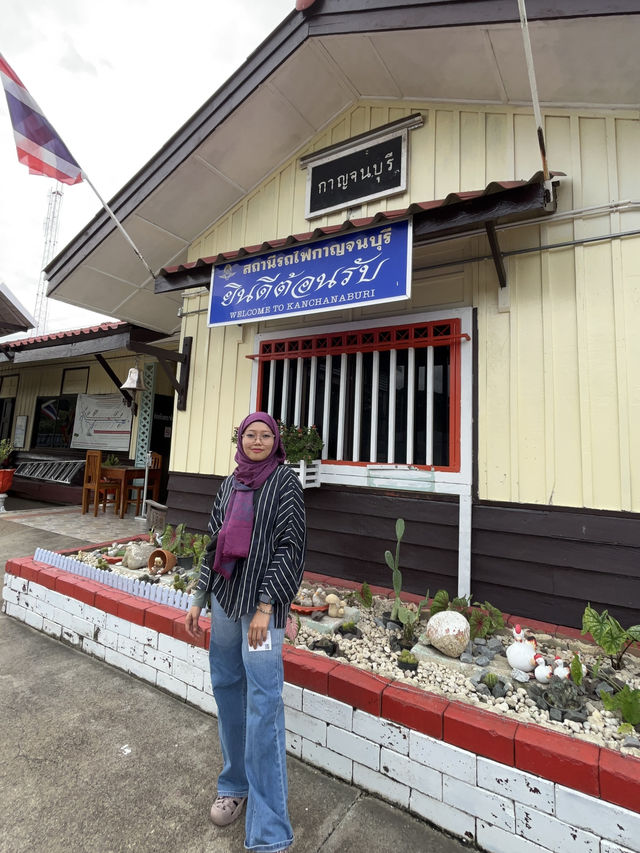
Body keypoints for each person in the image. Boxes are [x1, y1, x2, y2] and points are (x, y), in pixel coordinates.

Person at [185, 411, 306, 853]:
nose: (257, 441)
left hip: (262, 611)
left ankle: (270, 829)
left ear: (276, 442)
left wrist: (266, 606)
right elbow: (214, 542)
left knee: (264, 704)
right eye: (250, 434)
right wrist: (198, 595)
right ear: (240, 439)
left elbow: (292, 549)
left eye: (265, 435)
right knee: (227, 690)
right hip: (224, 601)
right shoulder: (231, 482)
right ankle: (234, 785)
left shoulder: (285, 483)